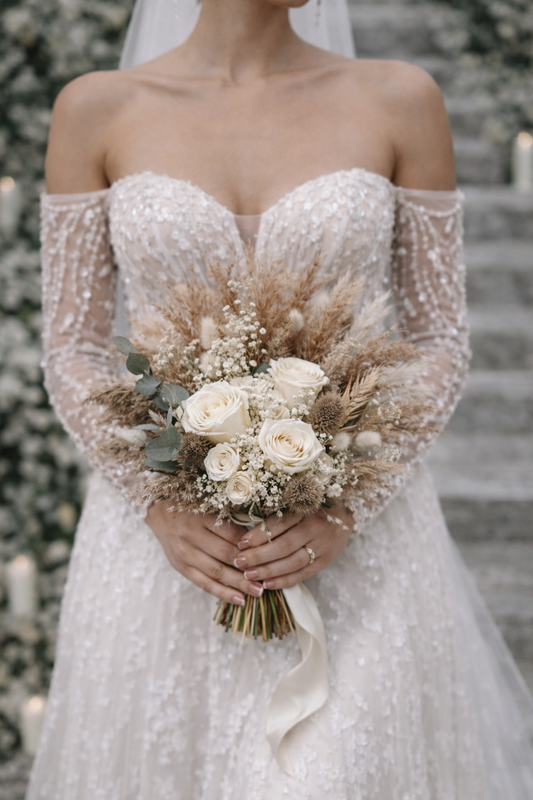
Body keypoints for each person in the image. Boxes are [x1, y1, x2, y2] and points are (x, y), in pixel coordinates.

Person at [28, 1, 533, 797]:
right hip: (168, 553)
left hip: (358, 548)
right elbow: (72, 346)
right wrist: (158, 503)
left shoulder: (400, 99)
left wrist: (345, 507)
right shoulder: (96, 109)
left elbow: (440, 339)